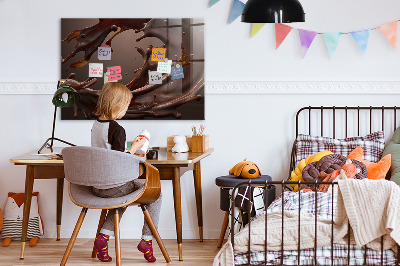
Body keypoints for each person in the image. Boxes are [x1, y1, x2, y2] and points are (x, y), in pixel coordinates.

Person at [91, 82, 161, 263]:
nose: (126, 110)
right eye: (126, 106)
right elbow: (118, 161)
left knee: (121, 197)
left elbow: (108, 154)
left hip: (97, 186)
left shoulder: (96, 125)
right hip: (114, 186)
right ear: (117, 105)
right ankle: (147, 240)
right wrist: (136, 148)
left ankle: (103, 238)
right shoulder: (117, 129)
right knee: (156, 194)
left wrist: (130, 150)